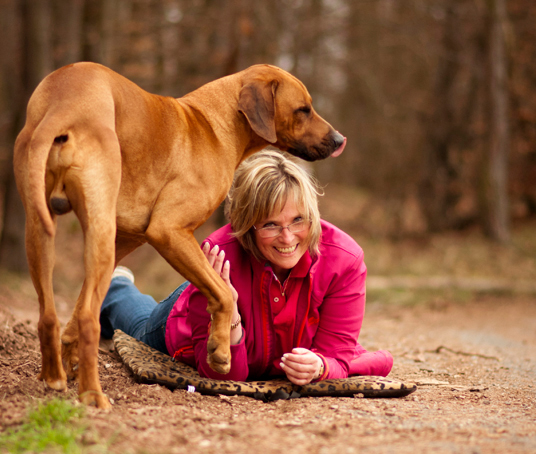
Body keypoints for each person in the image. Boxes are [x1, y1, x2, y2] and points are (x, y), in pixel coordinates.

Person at [100, 150, 393, 385]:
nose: (288, 238)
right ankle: (117, 287)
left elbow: (337, 357)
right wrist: (228, 310)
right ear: (246, 226)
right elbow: (223, 375)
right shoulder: (218, 255)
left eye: (298, 220)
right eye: (270, 225)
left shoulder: (344, 260)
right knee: (140, 328)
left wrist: (320, 366)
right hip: (190, 313)